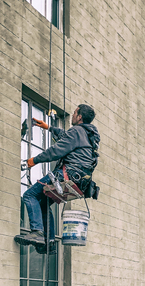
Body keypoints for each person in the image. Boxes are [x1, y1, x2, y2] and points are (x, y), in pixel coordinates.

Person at [14, 104, 100, 253]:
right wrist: (48, 127)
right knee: (44, 203)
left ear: (79, 117)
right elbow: (67, 137)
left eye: (74, 113)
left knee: (29, 195)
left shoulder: (77, 131)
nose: (72, 115)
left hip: (68, 174)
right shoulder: (89, 135)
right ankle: (50, 242)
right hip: (80, 181)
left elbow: (57, 150)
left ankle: (37, 232)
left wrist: (34, 160)